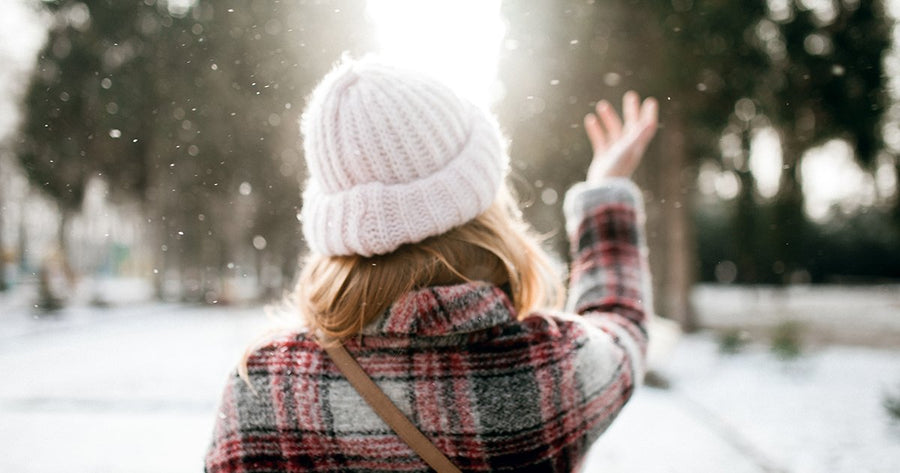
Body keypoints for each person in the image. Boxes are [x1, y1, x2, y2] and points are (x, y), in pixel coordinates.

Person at [205, 56, 658, 472]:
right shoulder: (551, 369)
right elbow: (623, 324)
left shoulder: (265, 390)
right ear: (485, 210)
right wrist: (605, 192)